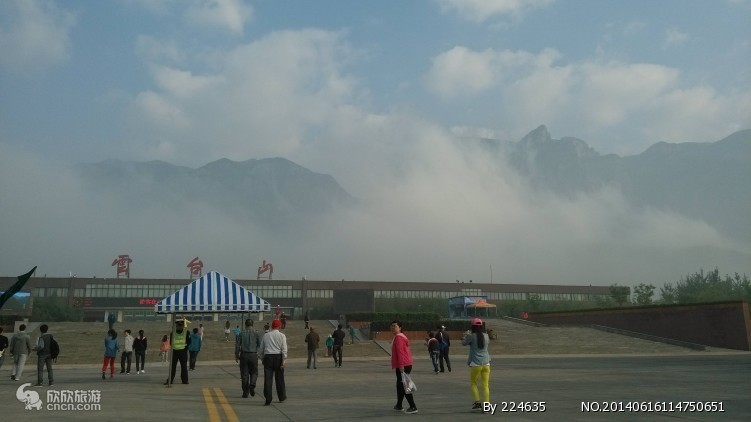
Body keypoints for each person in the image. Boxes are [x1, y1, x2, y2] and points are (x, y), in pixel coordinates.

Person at [462, 318, 491, 412]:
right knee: (485, 385)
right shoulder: (486, 336)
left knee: (473, 383)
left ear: (472, 326)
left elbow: (463, 343)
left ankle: (477, 403)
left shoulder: (471, 336)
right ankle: (486, 406)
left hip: (476, 363)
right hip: (486, 363)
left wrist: (465, 335)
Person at [390, 320, 418, 414]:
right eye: (392, 326)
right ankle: (399, 405)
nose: (392, 327)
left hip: (403, 364)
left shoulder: (399, 337)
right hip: (404, 363)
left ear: (400, 328)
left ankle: (413, 406)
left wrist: (401, 365)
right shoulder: (400, 336)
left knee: (404, 386)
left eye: (395, 326)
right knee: (400, 385)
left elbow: (400, 352)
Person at [259, 319, 287, 405]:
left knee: (268, 378)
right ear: (279, 326)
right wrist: (283, 361)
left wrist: (262, 359)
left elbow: (261, 349)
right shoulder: (282, 336)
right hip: (278, 357)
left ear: (272, 326)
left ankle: (268, 398)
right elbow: (284, 349)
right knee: (279, 378)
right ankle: (281, 397)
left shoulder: (266, 335)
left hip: (268, 357)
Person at [235, 318, 260, 398]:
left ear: (245, 325)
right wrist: (258, 353)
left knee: (244, 374)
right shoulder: (256, 333)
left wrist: (236, 355)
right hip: (253, 355)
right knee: (254, 372)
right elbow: (259, 345)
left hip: (244, 355)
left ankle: (245, 392)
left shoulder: (241, 333)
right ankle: (252, 384)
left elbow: (237, 345)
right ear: (252, 324)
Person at [164, 318, 191, 385]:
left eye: (180, 324)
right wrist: (185, 346)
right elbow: (189, 341)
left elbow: (189, 341)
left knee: (181, 367)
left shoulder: (185, 332)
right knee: (177, 367)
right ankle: (182, 380)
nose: (179, 326)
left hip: (179, 351)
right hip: (178, 351)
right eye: (179, 324)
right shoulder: (176, 332)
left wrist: (184, 347)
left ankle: (174, 380)